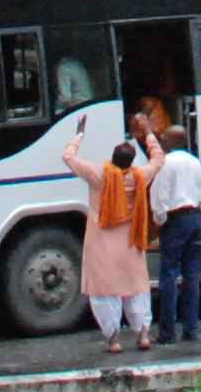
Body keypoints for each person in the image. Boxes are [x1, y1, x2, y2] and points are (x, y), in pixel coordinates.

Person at [63, 130, 156, 352]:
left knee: (104, 293)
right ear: (131, 162)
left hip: (101, 243)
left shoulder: (98, 174)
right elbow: (158, 160)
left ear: (112, 158)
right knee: (136, 288)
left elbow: (68, 156)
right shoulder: (140, 176)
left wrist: (78, 135)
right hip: (131, 243)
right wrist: (149, 134)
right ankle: (143, 334)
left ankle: (114, 340)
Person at [147, 122, 201, 350]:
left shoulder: (165, 164)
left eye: (164, 137)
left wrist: (160, 222)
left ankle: (167, 332)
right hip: (195, 218)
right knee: (192, 276)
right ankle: (191, 329)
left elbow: (159, 198)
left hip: (175, 221)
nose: (161, 139)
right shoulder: (195, 162)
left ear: (172, 141)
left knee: (169, 276)